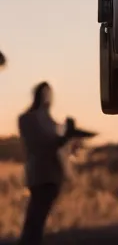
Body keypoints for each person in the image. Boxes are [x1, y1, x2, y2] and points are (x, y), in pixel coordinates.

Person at [17, 82, 77, 245]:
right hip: (41, 174)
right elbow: (43, 144)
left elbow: (56, 143)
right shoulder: (28, 119)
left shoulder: (47, 120)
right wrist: (65, 136)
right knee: (35, 221)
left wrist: (66, 134)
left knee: (36, 221)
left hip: (51, 175)